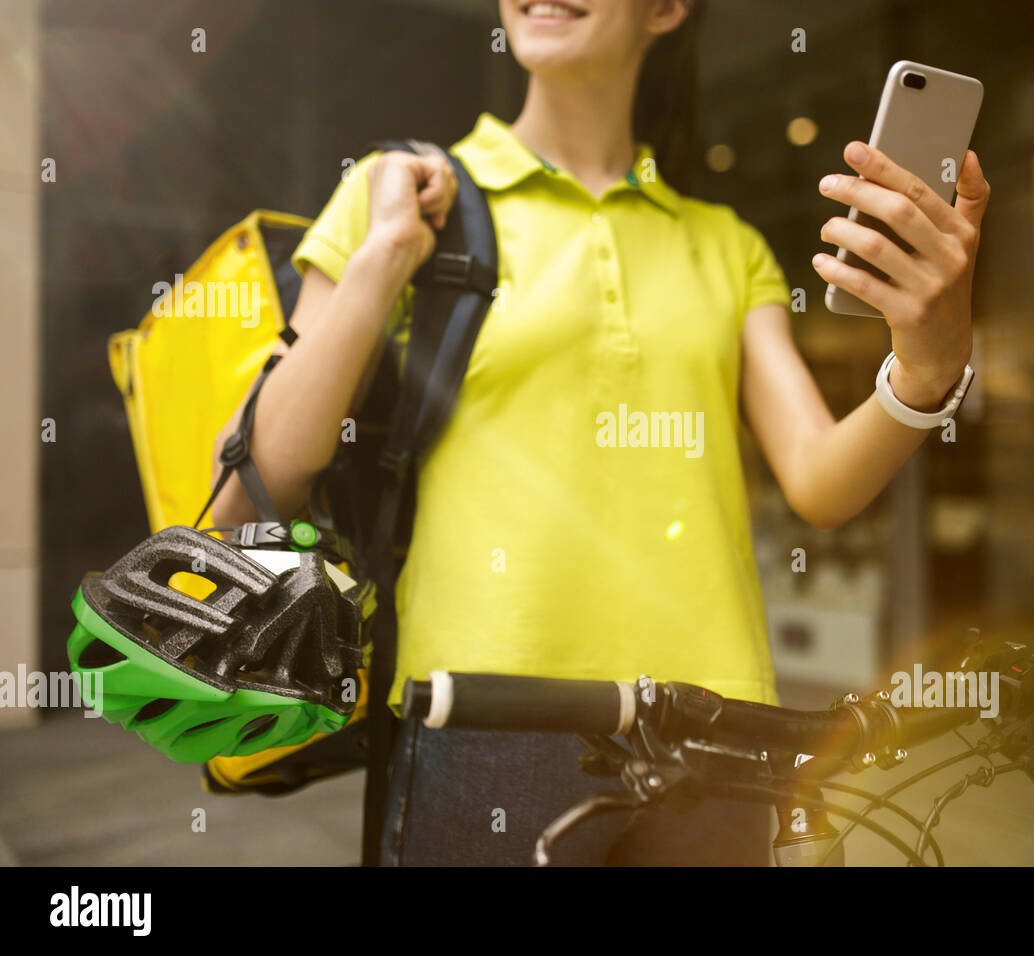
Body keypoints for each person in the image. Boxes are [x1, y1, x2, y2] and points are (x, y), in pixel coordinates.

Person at [209, 0, 990, 865]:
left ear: (665, 10)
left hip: (714, 725)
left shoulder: (723, 245)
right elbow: (271, 464)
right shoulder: (401, 195)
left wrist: (926, 371)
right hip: (485, 714)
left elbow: (820, 482)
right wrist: (385, 254)